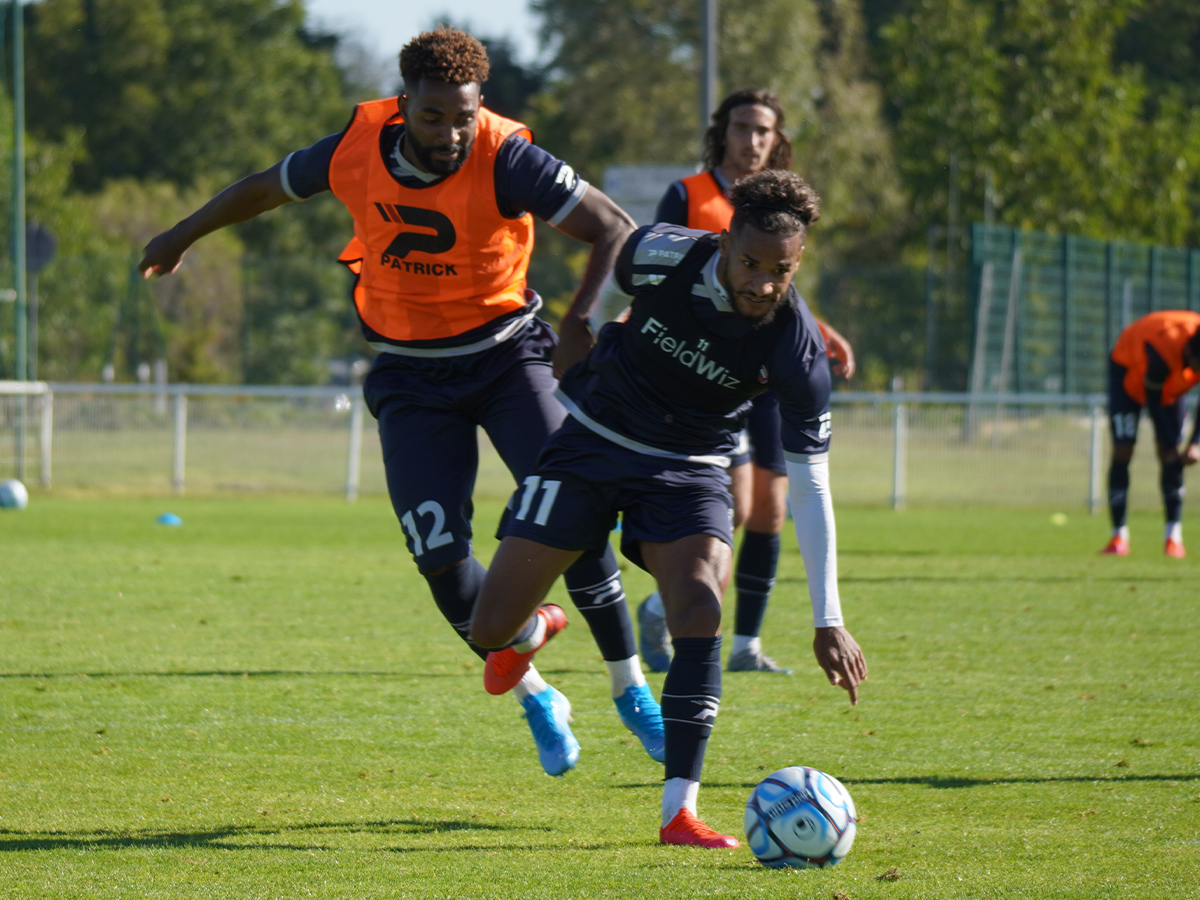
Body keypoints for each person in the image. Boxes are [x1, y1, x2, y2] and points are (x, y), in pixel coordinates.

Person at [138, 27, 664, 777]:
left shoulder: (507, 155)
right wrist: (184, 232)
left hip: (510, 357)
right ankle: (535, 690)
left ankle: (630, 688)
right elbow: (264, 187)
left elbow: (613, 226)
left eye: (464, 114)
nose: (451, 132)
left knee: (570, 510)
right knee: (439, 557)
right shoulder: (355, 147)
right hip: (411, 376)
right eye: (433, 116)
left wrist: (580, 318)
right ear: (404, 102)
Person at [470, 170, 867, 847]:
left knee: (699, 610)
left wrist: (828, 618)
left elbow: (810, 484)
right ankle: (532, 631)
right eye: (750, 263)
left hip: (689, 469)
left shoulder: (797, 349)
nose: (763, 284)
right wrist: (583, 322)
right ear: (723, 242)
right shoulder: (662, 250)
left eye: (781, 270)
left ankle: (678, 812)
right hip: (592, 441)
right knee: (488, 629)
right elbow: (613, 253)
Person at [638, 88, 855, 675]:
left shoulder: (784, 208)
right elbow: (662, 275)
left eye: (763, 130)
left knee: (771, 510)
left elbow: (776, 291)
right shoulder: (689, 194)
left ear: (776, 137)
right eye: (742, 128)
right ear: (723, 132)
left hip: (762, 368)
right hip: (705, 374)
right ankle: (666, 604)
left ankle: (745, 647)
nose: (752, 140)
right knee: (733, 504)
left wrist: (820, 331)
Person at [1101, 310, 1200, 558]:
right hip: (1128, 372)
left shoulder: (1192, 353)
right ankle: (1118, 537)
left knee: (1172, 454)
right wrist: (1169, 446)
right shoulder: (1162, 351)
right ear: (1190, 355)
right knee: (1125, 450)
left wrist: (1195, 443)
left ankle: (1173, 538)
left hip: (1171, 384)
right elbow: (1153, 404)